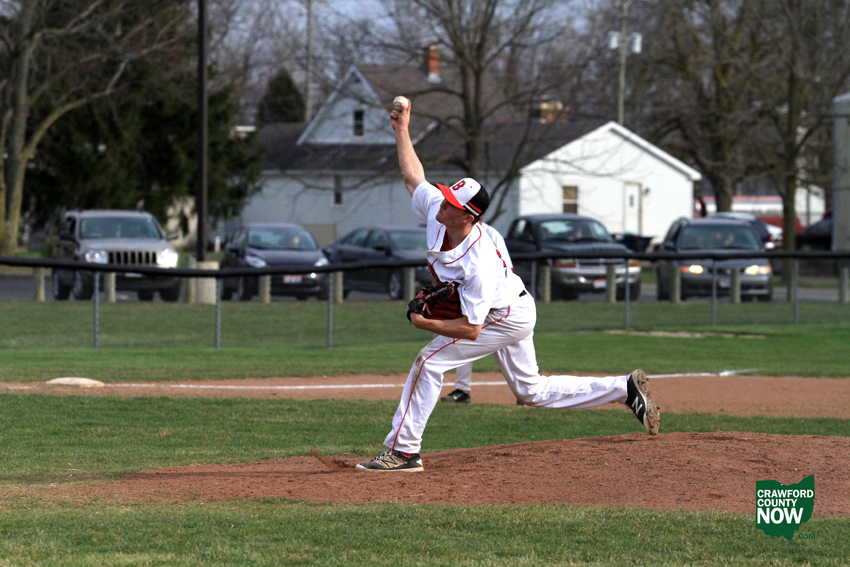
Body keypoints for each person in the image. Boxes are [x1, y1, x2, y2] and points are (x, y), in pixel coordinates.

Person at [356, 97, 660, 473]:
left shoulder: (478, 261)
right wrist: (402, 130)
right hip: (511, 304)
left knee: (429, 361)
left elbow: (472, 329)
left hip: (504, 314)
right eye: (446, 196)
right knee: (531, 392)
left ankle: (404, 452)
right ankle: (624, 389)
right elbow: (412, 177)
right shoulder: (441, 213)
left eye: (450, 202)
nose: (441, 202)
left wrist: (426, 323)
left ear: (467, 217)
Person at [440, 221, 511, 405]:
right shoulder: (450, 232)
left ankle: (522, 391)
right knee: (462, 339)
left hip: (496, 301)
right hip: (468, 297)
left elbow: (507, 269)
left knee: (508, 344)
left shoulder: (490, 234)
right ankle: (462, 390)